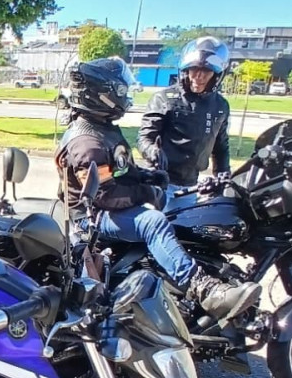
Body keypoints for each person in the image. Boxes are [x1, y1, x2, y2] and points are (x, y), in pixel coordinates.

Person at [55, 57, 260, 321]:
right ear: (100, 95)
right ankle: (203, 289)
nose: (124, 96)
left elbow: (121, 170)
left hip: (102, 207)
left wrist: (148, 176)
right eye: (120, 90)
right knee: (153, 222)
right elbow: (104, 195)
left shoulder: (100, 128)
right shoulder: (86, 143)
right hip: (89, 217)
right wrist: (148, 193)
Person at [137, 36, 231, 208]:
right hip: (160, 182)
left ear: (217, 74)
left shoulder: (220, 106)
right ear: (185, 70)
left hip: (192, 185)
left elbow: (221, 146)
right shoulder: (164, 98)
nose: (198, 76)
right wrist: (152, 151)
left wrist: (223, 175)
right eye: (194, 69)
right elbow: (145, 137)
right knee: (157, 223)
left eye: (206, 71)